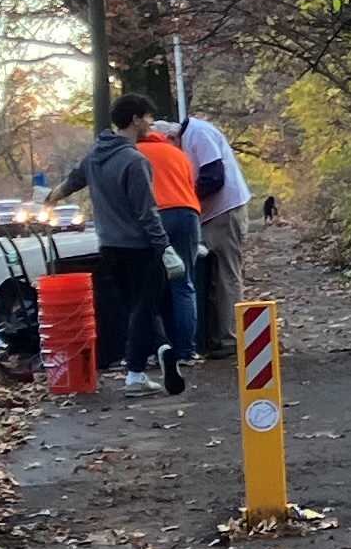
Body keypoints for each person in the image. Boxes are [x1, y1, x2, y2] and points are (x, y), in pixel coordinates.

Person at [80, 95, 182, 393]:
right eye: (148, 117)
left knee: (139, 308)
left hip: (109, 246)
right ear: (136, 119)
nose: (151, 123)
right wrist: (165, 248)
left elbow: (74, 179)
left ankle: (162, 347)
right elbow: (147, 212)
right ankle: (135, 374)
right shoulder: (135, 161)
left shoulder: (95, 156)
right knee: (144, 308)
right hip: (140, 248)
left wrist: (49, 198)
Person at [173, 101, 253, 359]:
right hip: (213, 213)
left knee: (227, 274)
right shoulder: (190, 135)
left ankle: (229, 337)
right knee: (216, 275)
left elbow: (214, 177)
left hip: (224, 211)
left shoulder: (199, 133)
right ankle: (217, 335)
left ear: (171, 136)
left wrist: (186, 199)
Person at [139, 113, 206, 384]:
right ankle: (186, 350)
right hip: (187, 215)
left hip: (156, 217)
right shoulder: (178, 155)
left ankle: (156, 347)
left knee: (150, 286)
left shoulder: (135, 153)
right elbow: (191, 186)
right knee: (184, 284)